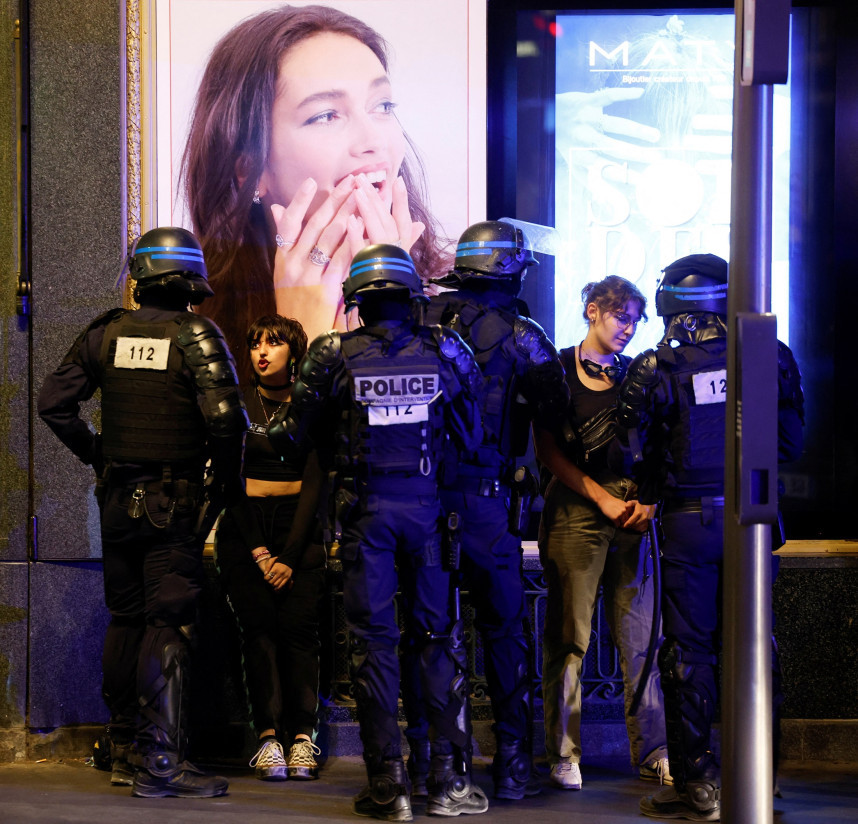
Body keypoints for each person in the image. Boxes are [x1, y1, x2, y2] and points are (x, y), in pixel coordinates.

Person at [269, 243, 487, 821]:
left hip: (366, 518)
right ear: (413, 298)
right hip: (428, 515)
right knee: (437, 642)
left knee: (374, 647)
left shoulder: (331, 355)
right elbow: (471, 437)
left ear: (357, 302)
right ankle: (443, 780)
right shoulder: (445, 348)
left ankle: (388, 786)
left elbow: (293, 435)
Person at [38, 226, 247, 799]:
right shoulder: (195, 335)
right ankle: (161, 762)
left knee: (125, 618)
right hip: (171, 503)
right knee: (168, 622)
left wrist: (98, 453)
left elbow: (52, 404)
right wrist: (226, 484)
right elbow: (228, 422)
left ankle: (125, 746)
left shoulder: (105, 334)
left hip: (116, 502)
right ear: (187, 283)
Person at [617, 254, 805, 821]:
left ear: (672, 301)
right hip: (753, 519)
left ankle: (696, 785)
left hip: (688, 521)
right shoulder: (768, 356)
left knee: (689, 651)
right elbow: (791, 445)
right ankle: (761, 776)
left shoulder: (656, 367)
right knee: (754, 646)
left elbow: (632, 453)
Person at [181, 4, 448, 358]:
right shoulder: (191, 328)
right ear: (249, 170)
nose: (373, 142)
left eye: (382, 106)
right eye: (325, 116)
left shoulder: (458, 303)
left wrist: (391, 298)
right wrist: (301, 342)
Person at [417, 220, 571, 802]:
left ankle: (442, 767)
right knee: (505, 634)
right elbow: (561, 420)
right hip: (487, 507)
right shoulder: (524, 336)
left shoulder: (420, 326)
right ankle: (510, 768)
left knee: (431, 635)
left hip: (423, 507)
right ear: (512, 271)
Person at [532, 275, 669, 792]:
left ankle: (653, 749)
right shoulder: (558, 370)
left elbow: (659, 443)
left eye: (636, 319)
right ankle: (564, 754)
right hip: (576, 508)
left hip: (633, 510)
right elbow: (546, 451)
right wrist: (601, 496)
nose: (629, 327)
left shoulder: (640, 373)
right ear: (593, 311)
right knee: (569, 638)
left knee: (642, 639)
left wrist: (647, 500)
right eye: (620, 316)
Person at [214, 314, 326, 781]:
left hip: (299, 527)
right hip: (246, 528)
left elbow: (317, 481)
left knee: (300, 634)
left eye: (274, 344)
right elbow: (228, 481)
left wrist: (292, 555)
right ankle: (267, 740)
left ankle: (302, 739)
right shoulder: (237, 403)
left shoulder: (311, 406)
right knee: (257, 633)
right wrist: (261, 552)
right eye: (256, 343)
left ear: (294, 353)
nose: (262, 352)